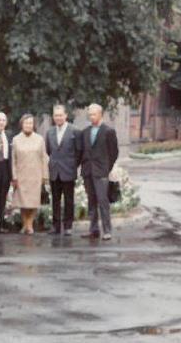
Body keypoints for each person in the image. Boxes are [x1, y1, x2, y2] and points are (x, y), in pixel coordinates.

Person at [80, 103, 119, 241]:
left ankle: (107, 230)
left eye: (94, 114)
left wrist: (106, 168)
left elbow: (114, 152)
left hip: (101, 172)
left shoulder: (108, 131)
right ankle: (93, 229)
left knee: (103, 201)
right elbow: (82, 151)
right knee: (91, 201)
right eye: (89, 114)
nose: (91, 117)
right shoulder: (85, 132)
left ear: (100, 114)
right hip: (88, 171)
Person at [45, 103, 83, 235]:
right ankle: (56, 226)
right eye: (56, 115)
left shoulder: (75, 131)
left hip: (68, 170)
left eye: (61, 115)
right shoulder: (49, 132)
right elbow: (49, 151)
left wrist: (73, 165)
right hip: (54, 171)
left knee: (68, 200)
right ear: (53, 117)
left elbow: (79, 151)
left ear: (66, 115)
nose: (58, 118)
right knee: (55, 200)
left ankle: (68, 226)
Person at [11, 114, 49, 235]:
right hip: (21, 175)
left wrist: (45, 175)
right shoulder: (16, 139)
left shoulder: (39, 139)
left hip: (35, 175)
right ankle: (25, 224)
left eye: (30, 123)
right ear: (22, 124)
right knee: (23, 202)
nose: (28, 125)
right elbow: (13, 160)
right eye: (26, 123)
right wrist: (14, 176)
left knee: (33, 202)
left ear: (33, 125)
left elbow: (44, 157)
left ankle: (30, 224)